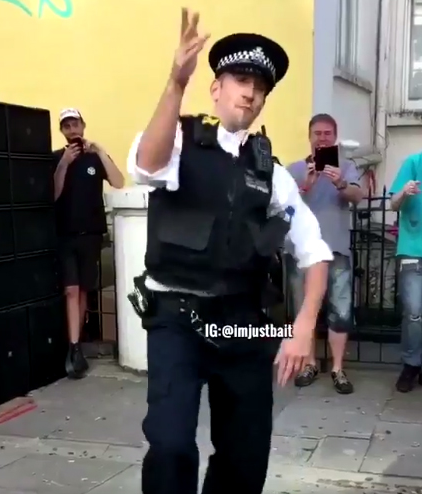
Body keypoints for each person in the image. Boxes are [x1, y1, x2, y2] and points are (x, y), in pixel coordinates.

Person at [127, 9, 333, 494]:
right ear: (216, 88)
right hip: (177, 317)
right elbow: (145, 167)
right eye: (240, 79)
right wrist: (175, 81)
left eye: (260, 87)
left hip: (243, 321)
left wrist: (303, 329)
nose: (250, 92)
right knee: (172, 445)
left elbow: (315, 252)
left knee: (245, 455)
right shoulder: (179, 141)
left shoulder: (273, 174)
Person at [285, 113, 363, 394]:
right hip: (302, 255)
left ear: (335, 137)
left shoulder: (347, 167)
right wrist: (304, 186)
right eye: (317, 133)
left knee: (340, 312)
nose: (322, 138)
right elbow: (281, 208)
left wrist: (340, 182)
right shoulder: (294, 169)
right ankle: (309, 362)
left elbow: (358, 196)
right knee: (304, 309)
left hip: (336, 251)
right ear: (310, 137)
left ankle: (338, 368)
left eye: (328, 133)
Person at [53, 108, 124, 379]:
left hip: (92, 235)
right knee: (70, 291)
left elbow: (118, 182)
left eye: (75, 124)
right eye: (66, 126)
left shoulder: (95, 157)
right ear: (62, 131)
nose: (72, 130)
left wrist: (102, 152)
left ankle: (76, 345)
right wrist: (63, 164)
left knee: (83, 291)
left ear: (83, 126)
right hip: (65, 235)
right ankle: (72, 346)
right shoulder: (57, 158)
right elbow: (53, 194)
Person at [390, 154, 422, 392]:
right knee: (413, 312)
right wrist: (404, 192)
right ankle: (411, 364)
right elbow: (393, 204)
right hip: (413, 250)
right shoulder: (413, 163)